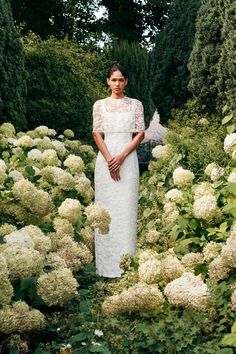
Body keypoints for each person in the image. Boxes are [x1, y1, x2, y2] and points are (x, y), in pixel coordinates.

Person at [92, 64, 145, 278]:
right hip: (105, 162)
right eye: (113, 80)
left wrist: (121, 157)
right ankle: (105, 267)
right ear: (107, 81)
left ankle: (126, 266)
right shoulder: (99, 105)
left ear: (126, 82)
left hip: (128, 160)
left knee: (126, 211)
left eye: (121, 80)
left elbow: (140, 134)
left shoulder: (135, 105)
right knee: (106, 212)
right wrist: (109, 160)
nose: (117, 84)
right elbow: (97, 134)